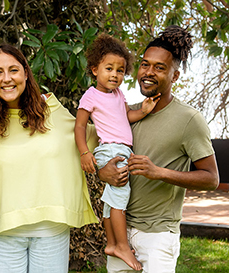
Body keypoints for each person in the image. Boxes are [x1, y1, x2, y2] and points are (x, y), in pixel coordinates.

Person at [98, 26, 219, 272]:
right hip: (120, 232)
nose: (148, 72)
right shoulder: (126, 113)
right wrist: (102, 173)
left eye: (159, 67)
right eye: (145, 65)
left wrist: (158, 172)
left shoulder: (189, 119)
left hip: (157, 235)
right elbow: (101, 155)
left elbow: (211, 178)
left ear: (175, 76)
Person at [0, 44, 99, 273]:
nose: (7, 79)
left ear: (25, 72)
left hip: (50, 233)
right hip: (2, 233)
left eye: (13, 70)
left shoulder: (50, 108)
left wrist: (134, 114)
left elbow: (91, 134)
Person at [74, 33, 160, 271]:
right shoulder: (91, 95)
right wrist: (84, 153)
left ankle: (112, 243)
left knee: (111, 202)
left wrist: (143, 110)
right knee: (120, 200)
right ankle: (122, 245)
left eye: (120, 70)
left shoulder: (119, 95)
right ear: (94, 69)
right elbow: (80, 126)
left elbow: (126, 117)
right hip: (112, 151)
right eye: (109, 68)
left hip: (121, 149)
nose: (115, 75)